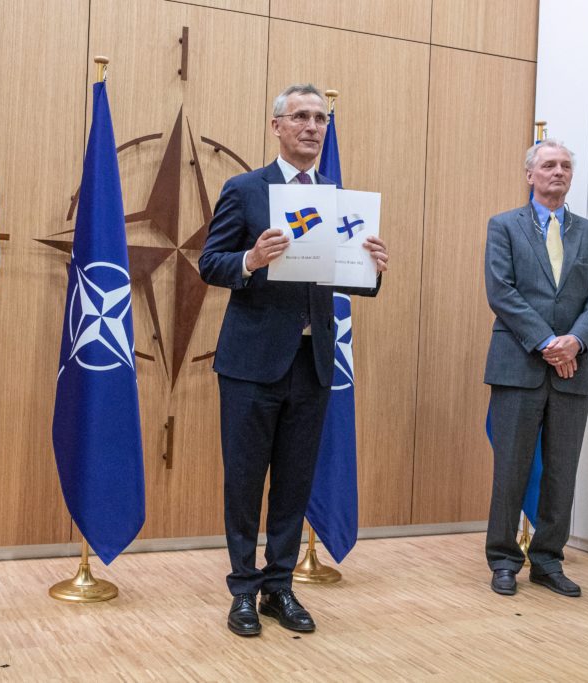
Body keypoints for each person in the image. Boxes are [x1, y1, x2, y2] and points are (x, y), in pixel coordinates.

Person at [199, 84, 389, 637]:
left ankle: (279, 586)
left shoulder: (338, 198)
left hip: (313, 361)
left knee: (294, 481)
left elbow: (351, 279)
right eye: (301, 116)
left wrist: (373, 268)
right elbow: (210, 263)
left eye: (320, 118)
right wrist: (251, 259)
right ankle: (243, 589)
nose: (312, 126)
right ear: (277, 125)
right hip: (251, 363)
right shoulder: (244, 189)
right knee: (244, 480)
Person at [484, 139, 588, 598]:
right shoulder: (504, 226)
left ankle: (547, 560)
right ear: (530, 175)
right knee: (511, 467)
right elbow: (501, 290)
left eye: (564, 166)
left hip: (573, 369)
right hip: (518, 365)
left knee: (562, 470)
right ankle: (503, 560)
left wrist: (574, 340)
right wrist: (546, 342)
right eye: (548, 165)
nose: (557, 172)